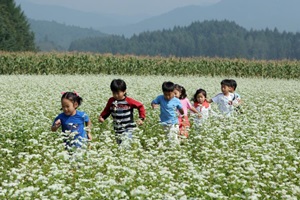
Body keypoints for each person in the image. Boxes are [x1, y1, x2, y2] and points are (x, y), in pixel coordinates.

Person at [98, 79, 145, 145]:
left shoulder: (129, 101)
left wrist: (141, 118)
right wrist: (102, 117)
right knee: (120, 146)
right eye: (114, 93)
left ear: (124, 91)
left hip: (128, 129)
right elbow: (107, 110)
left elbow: (140, 106)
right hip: (117, 129)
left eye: (118, 93)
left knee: (125, 146)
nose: (116, 95)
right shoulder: (111, 101)